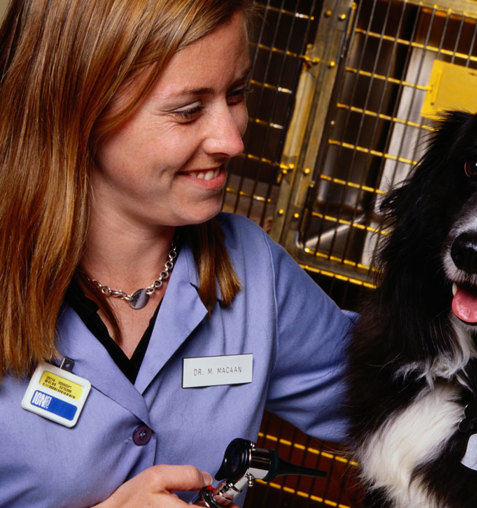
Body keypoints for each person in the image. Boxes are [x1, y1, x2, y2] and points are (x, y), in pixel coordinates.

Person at [0, 1, 354, 506]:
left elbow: (398, 396)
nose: (232, 139)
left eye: (237, 94)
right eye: (188, 110)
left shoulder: (252, 269)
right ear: (82, 106)